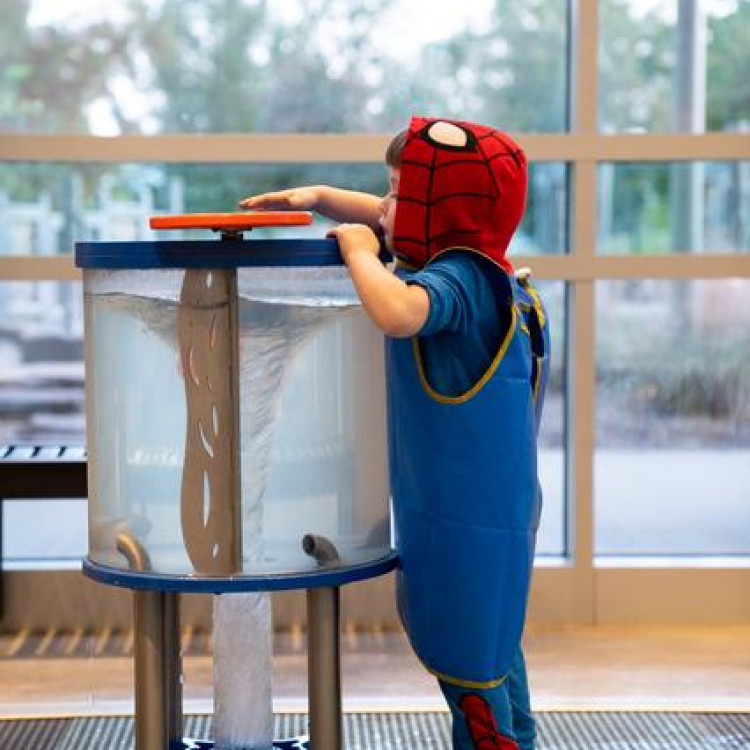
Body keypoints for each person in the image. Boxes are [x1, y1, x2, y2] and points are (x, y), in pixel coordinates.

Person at [240, 116, 550, 750]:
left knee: (473, 673)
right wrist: (322, 197)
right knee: (493, 654)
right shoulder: (483, 264)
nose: (383, 206)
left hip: (467, 521)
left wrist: (355, 251)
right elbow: (396, 219)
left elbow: (398, 312)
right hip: (489, 511)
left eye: (397, 190)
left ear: (446, 206)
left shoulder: (457, 280)